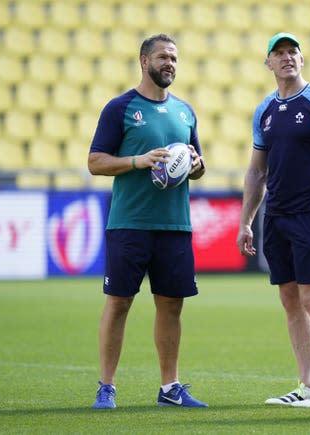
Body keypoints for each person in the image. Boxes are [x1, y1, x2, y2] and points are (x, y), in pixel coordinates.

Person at [88, 34, 208, 410]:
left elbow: (195, 166)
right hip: (130, 223)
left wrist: (198, 166)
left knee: (171, 305)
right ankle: (106, 386)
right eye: (162, 57)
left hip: (174, 225)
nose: (169, 63)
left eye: (174, 57)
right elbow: (95, 162)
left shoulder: (185, 112)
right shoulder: (120, 108)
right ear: (144, 60)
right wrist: (137, 161)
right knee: (119, 302)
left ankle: (169, 388)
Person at [236, 32, 310, 408]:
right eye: (279, 53)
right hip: (278, 215)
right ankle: (307, 385)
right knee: (290, 299)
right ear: (267, 63)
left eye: (293, 52)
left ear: (302, 60)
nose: (287, 57)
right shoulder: (264, 111)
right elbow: (257, 172)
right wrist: (245, 221)